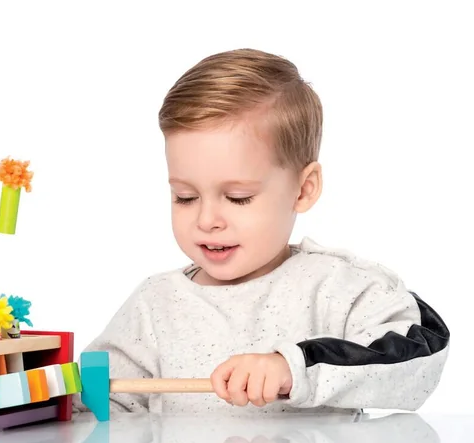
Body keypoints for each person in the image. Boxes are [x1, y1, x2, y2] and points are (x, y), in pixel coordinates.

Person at [74, 48, 450, 416]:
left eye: (238, 198)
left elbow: (420, 359)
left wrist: (295, 367)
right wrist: (59, 405)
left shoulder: (340, 287)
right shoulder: (154, 304)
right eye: (185, 197)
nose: (207, 219)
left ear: (303, 189)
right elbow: (97, 408)